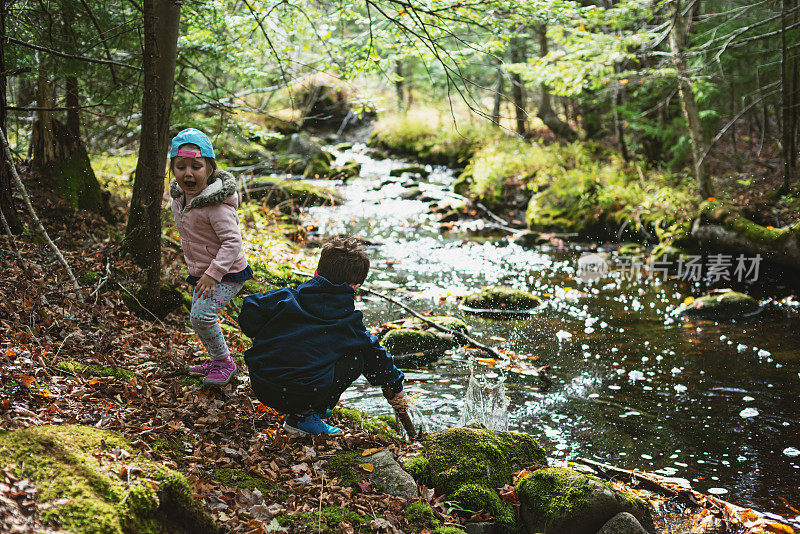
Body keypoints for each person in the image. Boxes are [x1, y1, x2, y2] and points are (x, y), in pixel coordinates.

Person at [238, 236, 405, 436]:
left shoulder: (285, 298)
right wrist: (396, 384)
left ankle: (304, 411)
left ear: (316, 272)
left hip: (262, 385)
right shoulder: (348, 322)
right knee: (357, 357)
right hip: (298, 395)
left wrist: (265, 334)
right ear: (356, 286)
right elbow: (377, 357)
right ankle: (305, 417)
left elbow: (250, 309)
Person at [169, 128, 253, 386]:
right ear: (172, 169)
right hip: (204, 272)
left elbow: (232, 242)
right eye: (181, 166)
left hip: (227, 272)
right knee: (197, 316)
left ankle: (225, 364)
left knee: (202, 316)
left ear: (210, 169)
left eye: (196, 166)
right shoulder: (180, 200)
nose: (188, 173)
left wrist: (212, 274)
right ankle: (217, 361)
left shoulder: (215, 205)